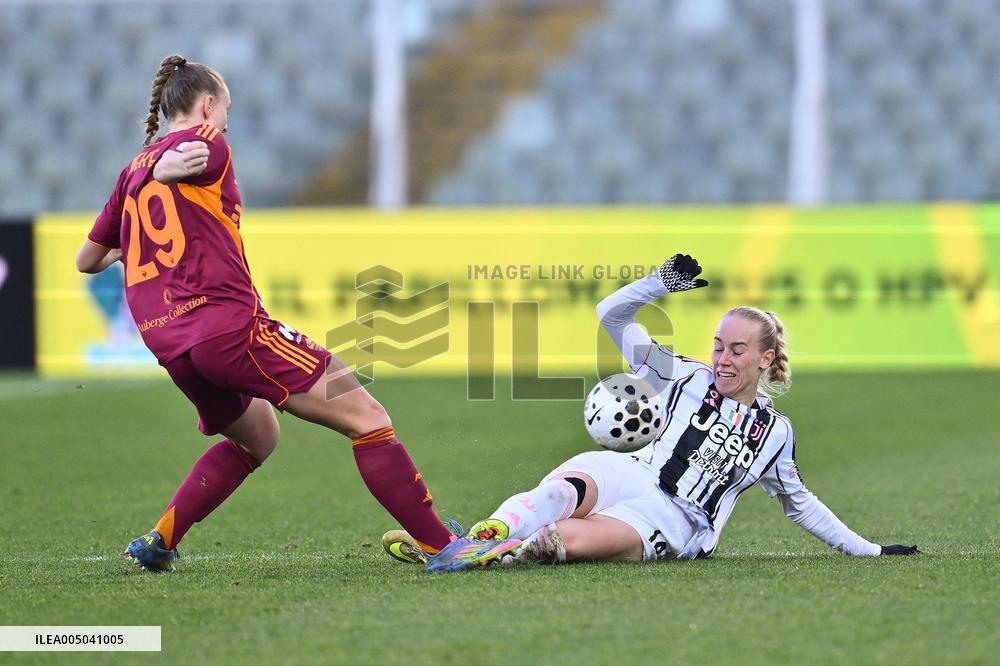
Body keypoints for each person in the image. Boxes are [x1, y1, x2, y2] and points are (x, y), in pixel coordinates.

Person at [76, 54, 456, 571]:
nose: (228, 120)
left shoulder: (129, 173)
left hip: (169, 345)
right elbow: (181, 157)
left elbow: (87, 260)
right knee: (368, 418)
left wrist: (134, 231)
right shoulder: (207, 141)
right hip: (227, 327)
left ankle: (160, 540)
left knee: (259, 436)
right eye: (226, 107)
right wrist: (166, 170)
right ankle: (442, 545)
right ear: (208, 104)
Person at [383, 254, 919, 572]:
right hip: (631, 472)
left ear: (766, 358)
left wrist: (870, 551)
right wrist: (659, 284)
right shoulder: (682, 375)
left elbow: (801, 505)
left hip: (674, 521)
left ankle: (485, 549)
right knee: (556, 495)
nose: (723, 358)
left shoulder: (775, 434)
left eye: (737, 350)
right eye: (718, 345)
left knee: (560, 542)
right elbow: (611, 315)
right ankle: (470, 541)